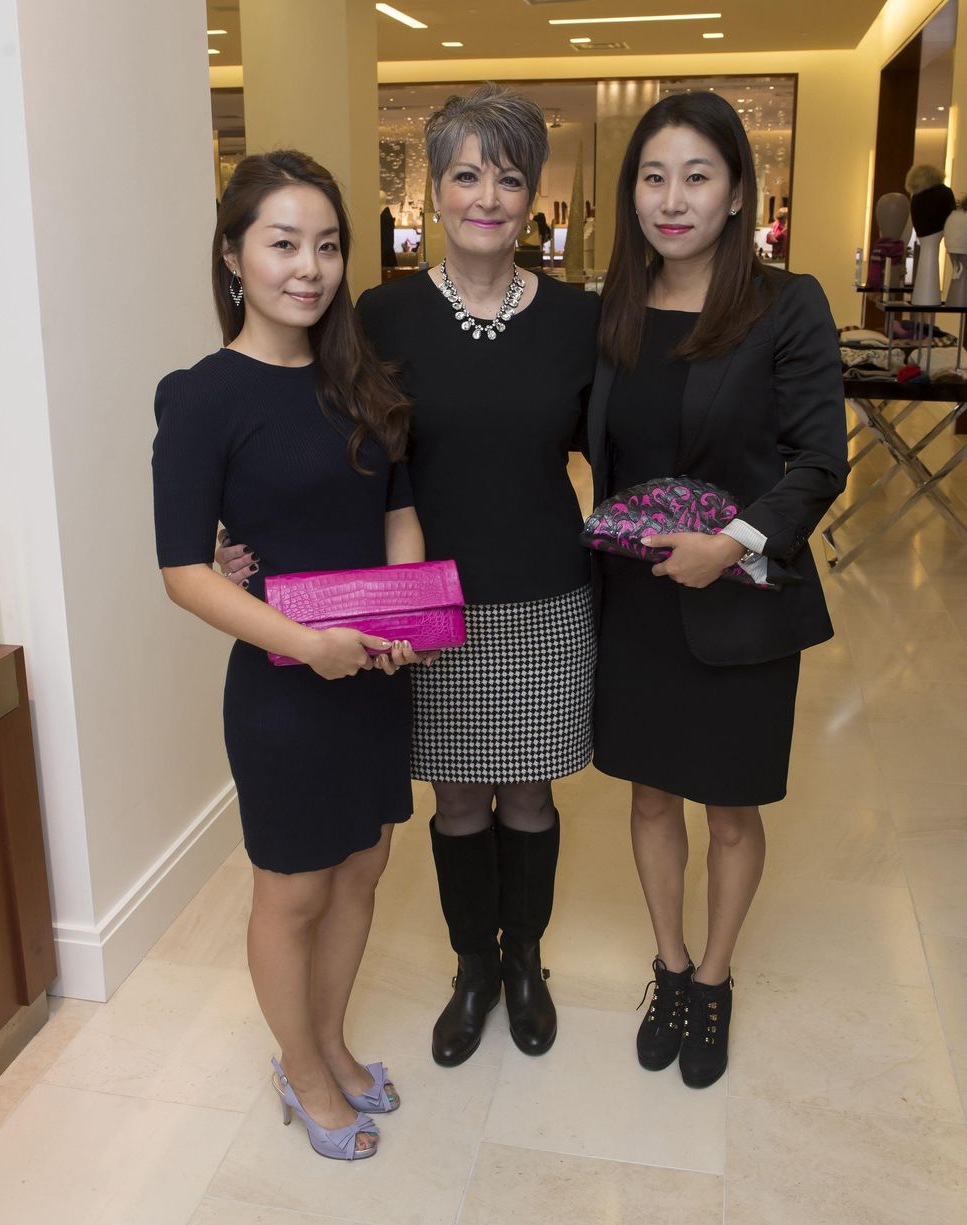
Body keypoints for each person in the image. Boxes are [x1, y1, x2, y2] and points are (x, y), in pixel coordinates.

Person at [222, 84, 599, 1068]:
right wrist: (241, 536)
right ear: (430, 192)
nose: (485, 194)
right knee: (458, 801)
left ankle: (526, 961)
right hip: (423, 602)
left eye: (507, 177)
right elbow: (309, 435)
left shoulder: (578, 319)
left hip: (546, 596)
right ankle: (472, 964)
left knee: (529, 796)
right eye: (464, 174)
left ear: (532, 197)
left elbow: (626, 444)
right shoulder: (378, 317)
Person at [153, 150, 431, 1160]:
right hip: (284, 683)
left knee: (363, 865)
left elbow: (396, 504)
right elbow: (186, 570)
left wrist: (401, 615)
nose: (306, 267)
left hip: (372, 676)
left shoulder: (357, 375)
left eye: (325, 245)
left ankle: (329, 1038)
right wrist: (307, 647)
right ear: (234, 257)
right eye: (281, 244)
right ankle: (301, 1066)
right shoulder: (201, 396)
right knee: (294, 886)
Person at [588, 92, 848, 1088]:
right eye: (652, 176)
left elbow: (815, 460)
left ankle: (712, 976)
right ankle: (665, 963)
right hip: (636, 602)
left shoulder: (786, 305)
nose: (671, 197)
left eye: (696, 175)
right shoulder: (614, 304)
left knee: (729, 810)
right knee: (650, 796)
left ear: (737, 192)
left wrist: (729, 541)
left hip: (736, 601)